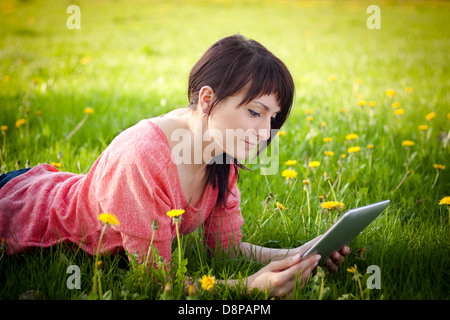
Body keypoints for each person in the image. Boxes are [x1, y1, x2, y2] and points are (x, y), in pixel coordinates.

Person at [0, 34, 348, 297]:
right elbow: (155, 284)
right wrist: (251, 287)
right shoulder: (144, 158)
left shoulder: (224, 149)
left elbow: (224, 247)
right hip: (19, 210)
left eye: (273, 118)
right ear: (207, 100)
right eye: (254, 112)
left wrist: (299, 254)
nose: (265, 132)